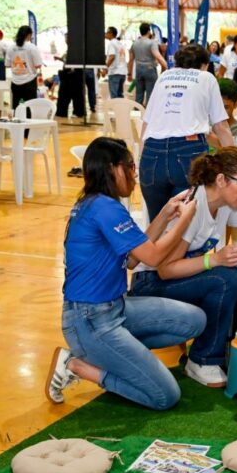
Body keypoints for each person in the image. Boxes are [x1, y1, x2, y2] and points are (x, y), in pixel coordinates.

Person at [46, 137, 205, 410]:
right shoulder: (105, 208)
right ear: (113, 169)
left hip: (112, 310)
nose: (134, 174)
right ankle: (77, 365)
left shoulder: (98, 204)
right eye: (131, 166)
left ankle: (113, 356)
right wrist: (185, 220)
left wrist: (167, 214)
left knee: (194, 320)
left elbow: (132, 259)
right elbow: (153, 257)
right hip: (91, 320)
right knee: (165, 396)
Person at [129, 147, 237, 387]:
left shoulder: (227, 204)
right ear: (220, 179)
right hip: (151, 283)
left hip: (176, 278)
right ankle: (202, 360)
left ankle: (220, 338)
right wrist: (214, 260)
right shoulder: (192, 205)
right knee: (227, 278)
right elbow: (166, 270)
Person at [140, 43, 235, 221]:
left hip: (152, 153)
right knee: (186, 226)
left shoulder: (164, 76)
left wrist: (141, 157)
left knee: (158, 223)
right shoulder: (206, 78)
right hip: (188, 152)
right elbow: (221, 127)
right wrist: (236, 163)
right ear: (205, 65)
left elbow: (146, 123)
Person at [129, 23, 168, 106]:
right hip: (150, 69)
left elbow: (130, 60)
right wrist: (166, 66)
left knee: (139, 93)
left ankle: (137, 111)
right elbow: (158, 56)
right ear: (148, 31)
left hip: (138, 69)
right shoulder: (152, 43)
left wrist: (129, 74)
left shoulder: (134, 43)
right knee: (150, 93)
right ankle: (148, 114)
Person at [5, 25, 43, 110]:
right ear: (29, 35)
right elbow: (38, 65)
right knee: (29, 108)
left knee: (17, 108)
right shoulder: (32, 47)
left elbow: (7, 65)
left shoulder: (11, 47)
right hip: (29, 82)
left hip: (15, 82)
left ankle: (17, 122)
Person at [104, 27, 128, 99]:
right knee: (120, 95)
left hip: (115, 72)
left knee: (114, 96)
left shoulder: (111, 43)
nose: (105, 34)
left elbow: (112, 57)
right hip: (122, 72)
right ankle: (120, 109)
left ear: (111, 33)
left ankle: (115, 110)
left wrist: (105, 69)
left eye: (107, 32)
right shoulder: (119, 43)